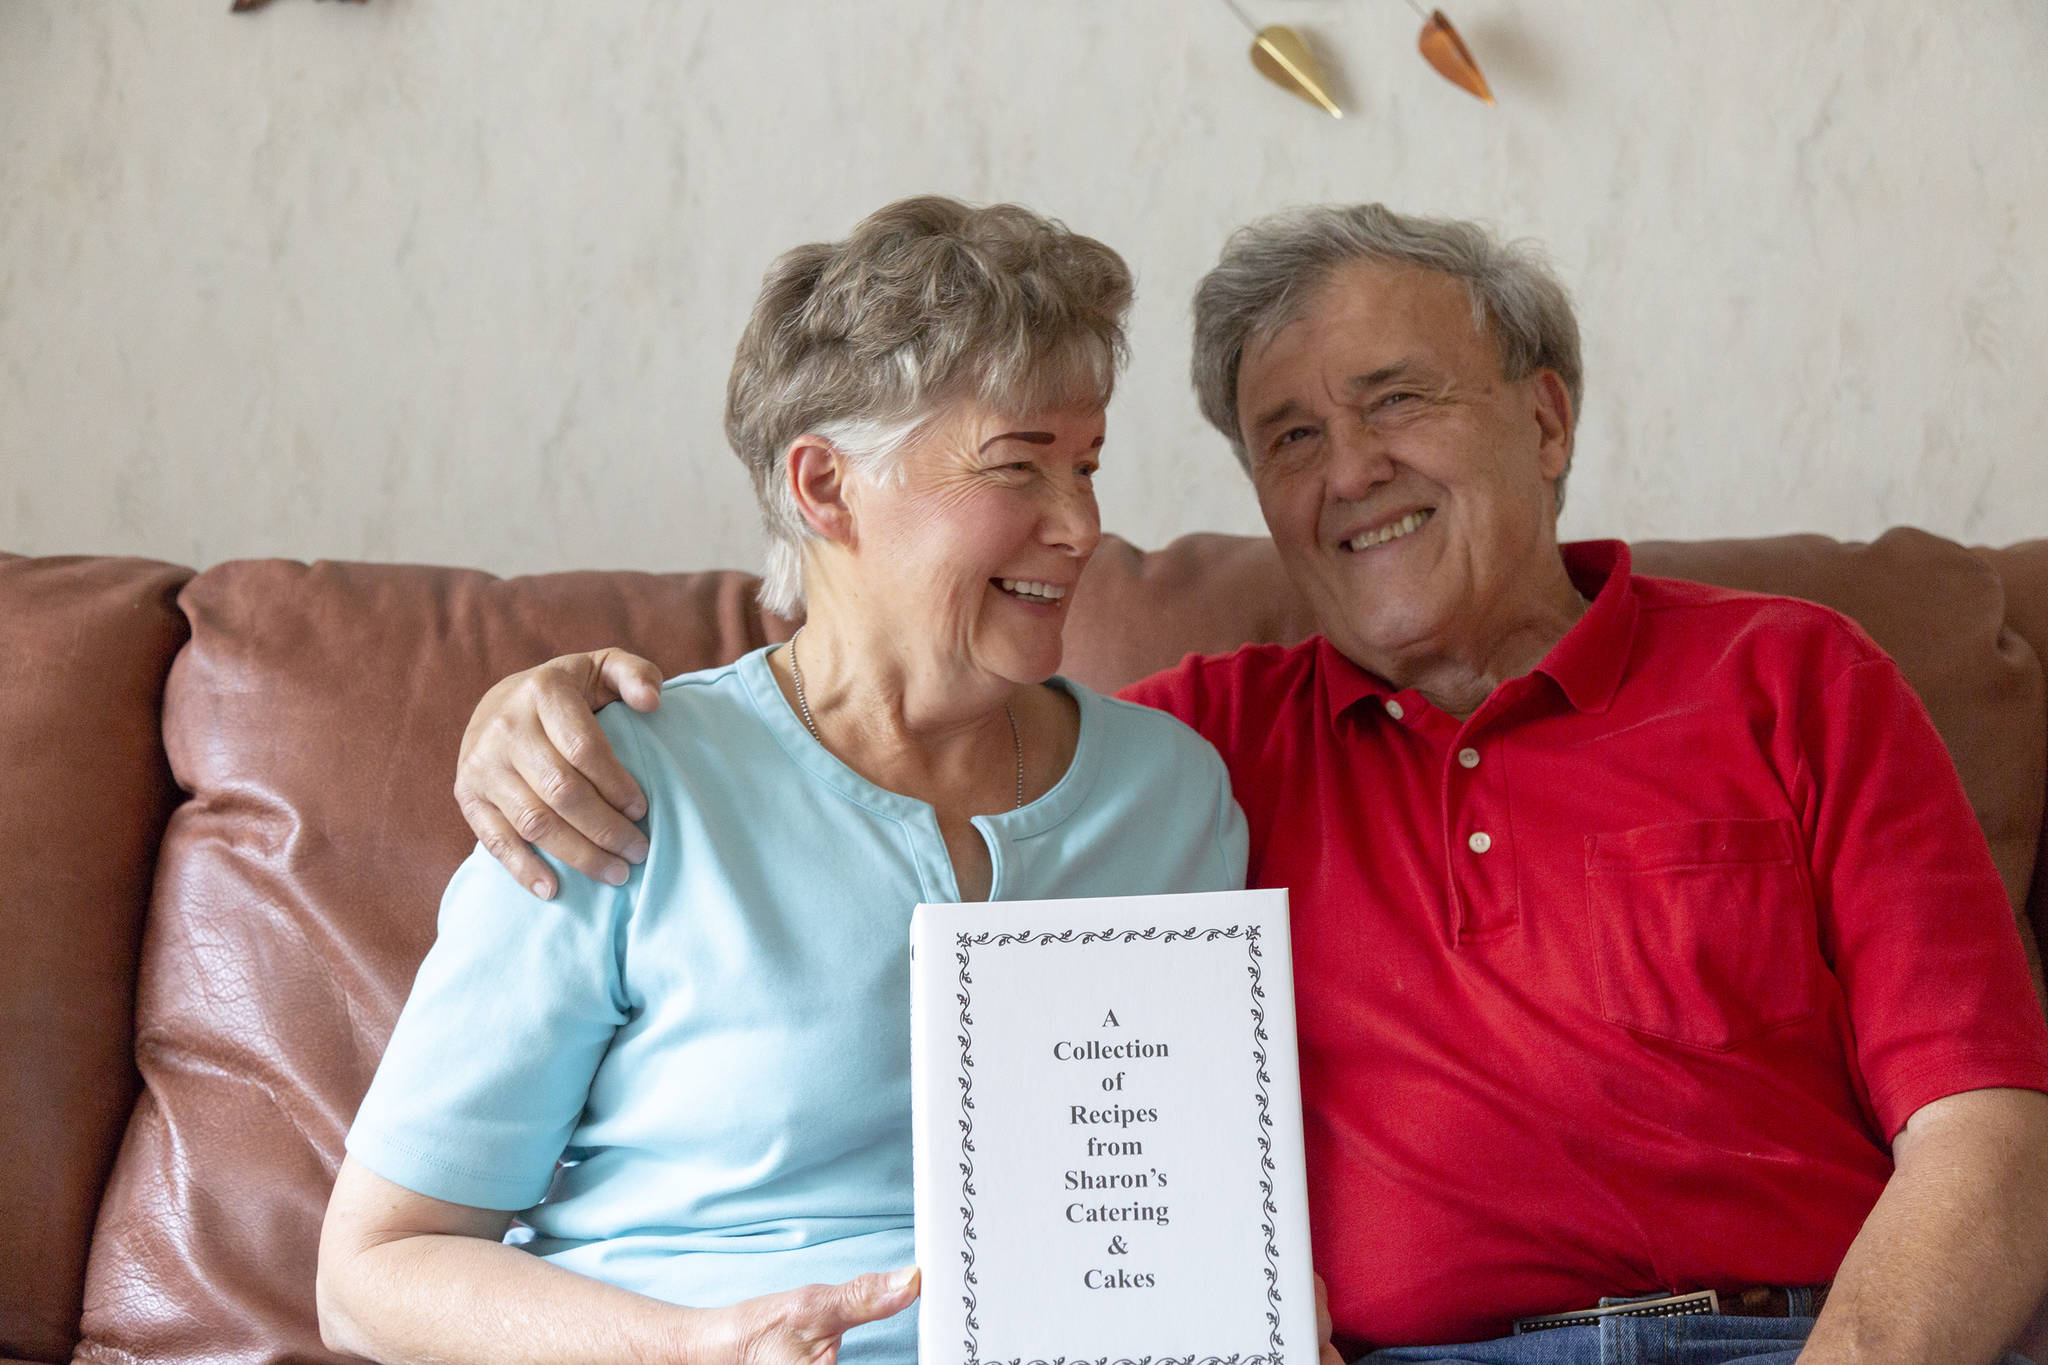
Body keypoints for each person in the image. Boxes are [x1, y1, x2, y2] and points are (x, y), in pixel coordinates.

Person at [453, 203, 2048, 1365]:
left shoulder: (1793, 679)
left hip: (1802, 1341)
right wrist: (532, 710)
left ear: (1546, 417)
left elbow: (1988, 1126)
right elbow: (895, 748)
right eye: (1287, 435)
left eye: (1397, 399)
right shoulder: (1191, 757)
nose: (1345, 468)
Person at [316, 197, 1260, 1365]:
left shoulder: (1170, 794)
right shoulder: (608, 784)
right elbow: (372, 1276)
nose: (1080, 525)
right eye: (1020, 466)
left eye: (1087, 465)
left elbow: (1200, 1194)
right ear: (823, 488)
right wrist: (694, 1347)